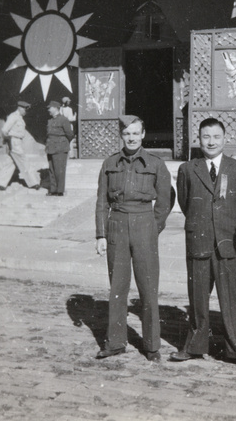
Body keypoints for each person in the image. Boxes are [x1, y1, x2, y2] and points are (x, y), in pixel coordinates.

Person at [169, 117, 236, 371]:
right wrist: (204, 223)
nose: (211, 142)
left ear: (224, 139)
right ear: (199, 139)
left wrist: (224, 223)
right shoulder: (188, 168)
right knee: (197, 298)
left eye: (216, 137)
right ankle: (194, 346)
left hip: (228, 241)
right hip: (199, 240)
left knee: (234, 300)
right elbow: (186, 203)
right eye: (206, 137)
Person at [95, 115, 171, 362]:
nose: (131, 137)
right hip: (116, 223)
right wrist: (101, 234)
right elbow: (101, 202)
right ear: (121, 135)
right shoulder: (109, 163)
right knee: (117, 286)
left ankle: (151, 345)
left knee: (148, 286)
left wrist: (153, 226)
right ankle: (115, 342)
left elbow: (165, 198)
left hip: (144, 222)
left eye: (135, 133)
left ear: (143, 134)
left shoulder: (156, 163)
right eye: (127, 133)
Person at [0, 101, 40, 191]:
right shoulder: (13, 116)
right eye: (24, 109)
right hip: (14, 141)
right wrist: (9, 140)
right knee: (24, 161)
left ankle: (0, 184)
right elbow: (4, 130)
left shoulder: (19, 117)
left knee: (11, 163)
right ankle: (33, 183)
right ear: (20, 108)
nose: (25, 111)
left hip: (17, 141)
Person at [45, 100, 74, 196]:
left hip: (60, 147)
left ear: (55, 108)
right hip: (50, 147)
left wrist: (63, 143)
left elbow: (70, 134)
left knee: (60, 170)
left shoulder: (64, 120)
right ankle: (53, 190)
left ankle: (60, 190)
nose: (48, 110)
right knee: (52, 169)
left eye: (50, 108)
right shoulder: (50, 120)